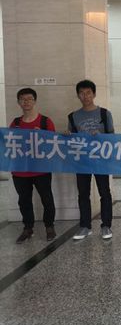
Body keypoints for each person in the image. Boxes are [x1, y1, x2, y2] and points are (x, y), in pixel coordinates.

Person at [66, 80, 115, 240]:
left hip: (101, 160)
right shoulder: (73, 116)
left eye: (88, 92)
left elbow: (112, 137)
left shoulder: (104, 114)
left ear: (94, 94)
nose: (85, 96)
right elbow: (71, 140)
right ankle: (85, 226)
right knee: (83, 194)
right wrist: (66, 136)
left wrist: (101, 136)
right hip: (82, 161)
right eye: (82, 93)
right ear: (78, 95)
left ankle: (106, 225)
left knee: (104, 193)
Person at [9, 88, 57, 244]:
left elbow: (54, 145)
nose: (26, 102)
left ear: (35, 101)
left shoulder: (45, 122)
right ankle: (28, 228)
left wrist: (42, 136)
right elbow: (9, 144)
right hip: (20, 170)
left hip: (41, 169)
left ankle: (49, 226)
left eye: (29, 99)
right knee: (24, 200)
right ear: (18, 102)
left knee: (47, 199)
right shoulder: (15, 123)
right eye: (23, 99)